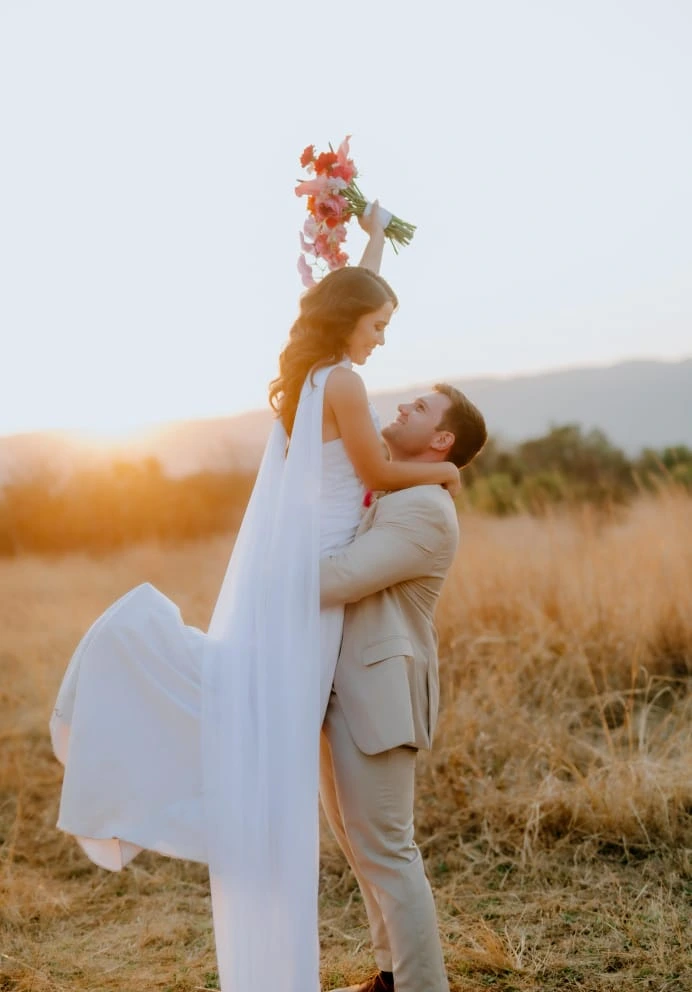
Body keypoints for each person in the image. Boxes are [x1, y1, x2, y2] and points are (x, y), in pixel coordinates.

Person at [49, 206, 462, 992]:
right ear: (351, 320)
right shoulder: (345, 381)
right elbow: (377, 472)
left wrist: (374, 236)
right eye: (378, 325)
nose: (382, 339)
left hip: (307, 591)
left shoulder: (315, 376)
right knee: (283, 771)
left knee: (276, 754)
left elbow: (354, 295)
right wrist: (443, 470)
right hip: (313, 593)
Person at [318, 384, 487, 992]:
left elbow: (336, 578)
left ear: (442, 439)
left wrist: (265, 557)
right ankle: (391, 978)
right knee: (363, 850)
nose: (403, 408)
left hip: (379, 694)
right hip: (341, 690)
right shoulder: (399, 491)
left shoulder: (425, 508)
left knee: (388, 851)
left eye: (419, 409)